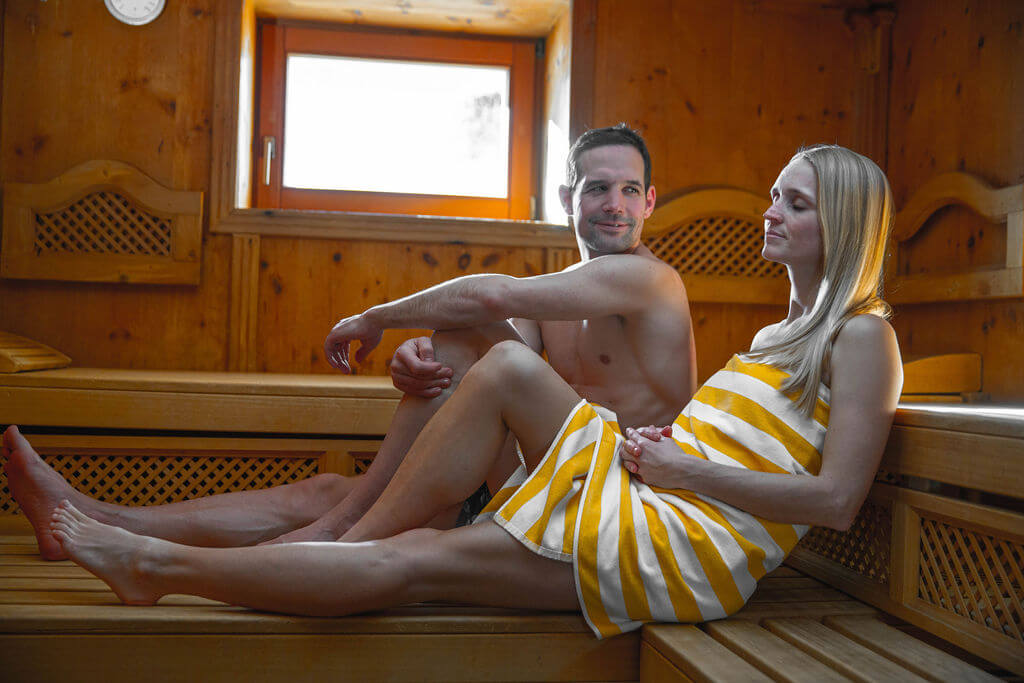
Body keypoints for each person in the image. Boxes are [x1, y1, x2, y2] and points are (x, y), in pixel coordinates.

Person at [23, 143, 903, 638]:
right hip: (634, 490)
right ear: (569, 197)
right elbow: (487, 327)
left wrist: (684, 470)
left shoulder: (865, 335)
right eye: (776, 195)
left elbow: (836, 500)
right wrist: (417, 358)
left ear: (842, 223)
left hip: (676, 534)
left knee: (402, 560)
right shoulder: (775, 338)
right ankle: (270, 541)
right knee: (451, 430)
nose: (770, 212)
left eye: (794, 204)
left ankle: (176, 564)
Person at [3, 123, 697, 561]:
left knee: (460, 333)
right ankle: (94, 517)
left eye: (629, 190)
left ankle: (333, 534)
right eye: (598, 188)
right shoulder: (568, 289)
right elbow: (488, 346)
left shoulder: (650, 282)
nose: (614, 205)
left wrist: (375, 318)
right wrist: (420, 360)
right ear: (569, 197)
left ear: (650, 201)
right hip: (543, 478)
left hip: (615, 495)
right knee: (347, 472)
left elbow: (490, 298)